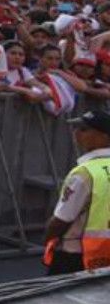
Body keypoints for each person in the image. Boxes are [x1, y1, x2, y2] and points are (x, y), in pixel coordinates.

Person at [43, 110, 110, 275]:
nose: (76, 133)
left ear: (103, 136)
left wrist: (47, 239)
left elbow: (61, 220)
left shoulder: (84, 173)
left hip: (75, 255)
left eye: (84, 129)